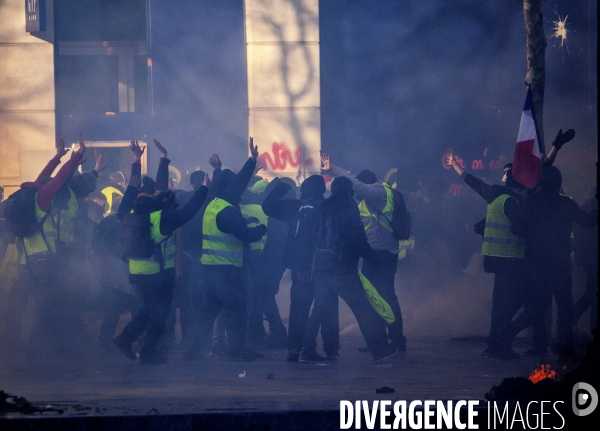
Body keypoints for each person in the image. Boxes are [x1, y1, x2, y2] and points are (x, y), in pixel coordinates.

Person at [113, 139, 209, 364]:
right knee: (159, 314)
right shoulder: (163, 218)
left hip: (136, 272)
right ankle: (142, 349)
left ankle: (130, 342)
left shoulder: (129, 212)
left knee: (149, 310)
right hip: (159, 275)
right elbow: (189, 210)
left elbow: (134, 188)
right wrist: (204, 189)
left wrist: (138, 161)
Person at [184, 138, 266, 361]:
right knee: (238, 310)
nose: (239, 189)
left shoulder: (214, 202)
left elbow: (237, 184)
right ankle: (238, 351)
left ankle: (192, 350)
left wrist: (251, 161)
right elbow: (246, 236)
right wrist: (260, 228)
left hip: (210, 270)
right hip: (227, 272)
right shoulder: (228, 211)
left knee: (207, 313)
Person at [503, 166, 597, 362]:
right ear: (559, 183)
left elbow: (516, 228)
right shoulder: (565, 203)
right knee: (564, 306)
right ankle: (565, 349)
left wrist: (533, 235)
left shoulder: (531, 203)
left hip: (535, 264)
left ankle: (510, 329)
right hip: (560, 263)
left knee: (539, 304)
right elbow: (588, 222)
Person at [3, 135, 86, 355]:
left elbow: (46, 177)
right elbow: (59, 179)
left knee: (19, 306)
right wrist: (77, 156)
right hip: (45, 263)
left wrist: (57, 156)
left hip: (26, 262)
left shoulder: (26, 196)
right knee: (50, 307)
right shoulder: (43, 197)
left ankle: (10, 346)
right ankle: (37, 351)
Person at [302, 176, 397, 363]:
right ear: (349, 191)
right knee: (363, 309)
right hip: (343, 270)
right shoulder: (348, 207)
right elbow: (358, 240)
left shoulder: (321, 207)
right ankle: (379, 349)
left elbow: (309, 237)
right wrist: (374, 259)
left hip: (321, 268)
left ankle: (307, 349)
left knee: (319, 309)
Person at [322, 153, 407, 352]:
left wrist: (334, 169)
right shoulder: (374, 198)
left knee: (384, 295)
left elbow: (358, 185)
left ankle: (396, 339)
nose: (356, 192)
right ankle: (382, 340)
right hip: (377, 251)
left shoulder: (378, 193)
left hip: (382, 253)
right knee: (375, 296)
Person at [446, 152, 526, 359]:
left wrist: (455, 165)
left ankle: (494, 344)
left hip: (495, 259)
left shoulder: (494, 195)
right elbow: (521, 230)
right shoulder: (512, 201)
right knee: (512, 303)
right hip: (510, 259)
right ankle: (501, 345)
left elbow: (472, 181)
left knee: (500, 303)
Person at [262, 174, 328, 362]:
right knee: (322, 308)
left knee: (298, 308)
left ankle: (294, 349)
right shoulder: (324, 207)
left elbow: (268, 206)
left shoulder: (296, 208)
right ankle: (313, 348)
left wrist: (280, 188)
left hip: (302, 267)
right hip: (321, 268)